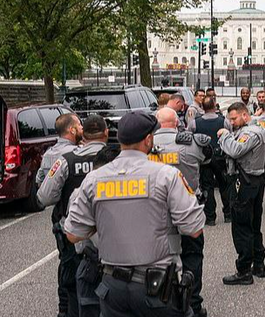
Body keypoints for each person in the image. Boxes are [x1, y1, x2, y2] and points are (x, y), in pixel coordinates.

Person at [63, 111, 205, 316]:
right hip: (157, 287)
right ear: (148, 140)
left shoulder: (94, 179)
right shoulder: (166, 175)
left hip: (112, 288)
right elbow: (194, 229)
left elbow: (73, 234)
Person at [38, 115, 110, 317]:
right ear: (106, 133)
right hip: (112, 232)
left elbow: (44, 196)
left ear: (83, 135)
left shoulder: (66, 160)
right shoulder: (116, 157)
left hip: (75, 233)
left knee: (74, 288)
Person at [150, 107, 213, 317]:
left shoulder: (147, 145)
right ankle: (192, 303)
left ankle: (163, 300)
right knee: (192, 256)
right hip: (188, 207)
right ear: (177, 122)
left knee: (157, 257)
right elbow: (206, 160)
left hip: (155, 211)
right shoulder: (193, 142)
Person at [37, 112, 83, 317]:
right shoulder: (75, 155)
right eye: (79, 125)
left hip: (62, 220)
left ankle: (64, 310)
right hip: (79, 221)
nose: (82, 128)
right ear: (72, 130)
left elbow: (43, 188)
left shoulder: (49, 155)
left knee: (66, 265)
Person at [218, 102, 265, 285]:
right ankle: (258, 264)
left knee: (242, 226)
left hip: (245, 183)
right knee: (253, 224)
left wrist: (224, 137)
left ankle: (244, 269)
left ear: (245, 115)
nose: (231, 122)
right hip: (252, 181)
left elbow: (235, 150)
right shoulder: (250, 130)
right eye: (229, 119)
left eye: (234, 118)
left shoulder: (250, 132)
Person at [192, 93, 231, 225]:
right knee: (224, 185)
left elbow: (190, 137)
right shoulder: (223, 121)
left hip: (204, 158)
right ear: (214, 106)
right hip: (220, 157)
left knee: (207, 186)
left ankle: (210, 217)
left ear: (202, 107)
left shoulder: (195, 122)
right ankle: (228, 214)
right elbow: (229, 135)